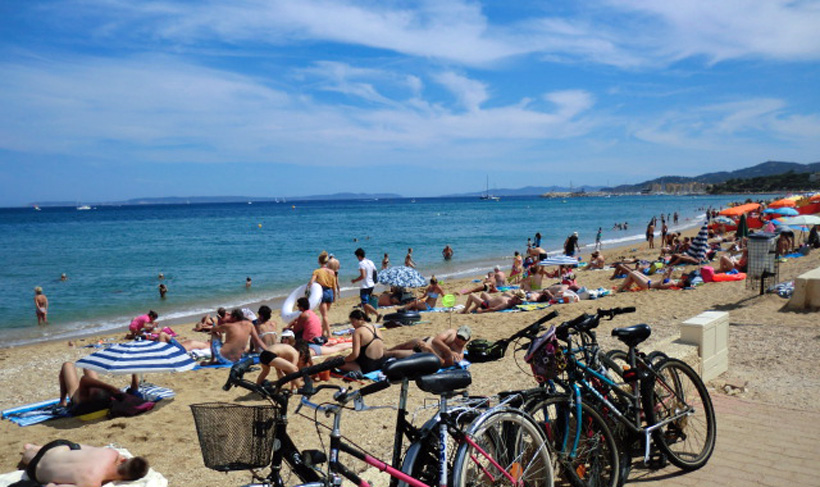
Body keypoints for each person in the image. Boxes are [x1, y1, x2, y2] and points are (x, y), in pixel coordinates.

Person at [18, 441, 149, 486]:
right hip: (37, 468)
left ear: (124, 460)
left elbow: (83, 449)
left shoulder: (111, 453)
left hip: (59, 446)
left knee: (73, 448)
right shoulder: (91, 482)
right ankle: (29, 451)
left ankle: (34, 447)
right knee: (28, 457)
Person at [57, 362, 140, 416]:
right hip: (99, 401)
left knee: (67, 365)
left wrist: (111, 388)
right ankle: (62, 401)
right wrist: (134, 371)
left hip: (79, 399)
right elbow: (134, 388)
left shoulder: (85, 399)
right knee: (88, 364)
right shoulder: (116, 398)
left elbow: (84, 379)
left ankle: (62, 401)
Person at [386, 326, 472, 367]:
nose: (460, 340)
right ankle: (383, 351)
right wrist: (448, 349)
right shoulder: (451, 332)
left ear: (467, 340)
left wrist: (430, 350)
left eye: (463, 339)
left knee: (395, 353)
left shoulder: (459, 354)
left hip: (426, 353)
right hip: (425, 341)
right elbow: (435, 340)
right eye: (459, 336)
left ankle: (379, 355)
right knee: (402, 345)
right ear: (456, 333)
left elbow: (443, 364)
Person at [339, 309, 385, 374]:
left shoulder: (358, 332)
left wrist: (343, 360)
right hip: (380, 363)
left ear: (361, 319)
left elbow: (355, 355)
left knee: (334, 360)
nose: (352, 325)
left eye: (353, 322)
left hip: (366, 367)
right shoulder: (376, 328)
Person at [307, 251, 338, 338]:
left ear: (319, 262)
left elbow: (311, 282)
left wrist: (308, 290)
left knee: (324, 316)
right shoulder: (332, 272)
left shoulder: (317, 271)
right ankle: (323, 332)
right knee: (325, 315)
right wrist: (334, 296)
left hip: (322, 292)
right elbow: (334, 285)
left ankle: (329, 334)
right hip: (330, 292)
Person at [351, 248, 381, 321]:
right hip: (371, 284)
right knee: (366, 302)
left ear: (359, 256)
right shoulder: (370, 262)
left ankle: (377, 314)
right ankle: (367, 317)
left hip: (365, 285)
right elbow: (375, 272)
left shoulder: (361, 263)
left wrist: (355, 280)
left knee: (364, 303)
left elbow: (363, 276)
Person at [615, 267, 681, 292]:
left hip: (647, 285)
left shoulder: (672, 283)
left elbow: (661, 285)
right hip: (649, 281)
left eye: (682, 281)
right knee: (635, 272)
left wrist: (663, 277)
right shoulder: (674, 282)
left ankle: (621, 288)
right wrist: (670, 272)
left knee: (631, 273)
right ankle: (627, 286)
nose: (681, 280)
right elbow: (667, 280)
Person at [461, 290, 525, 314]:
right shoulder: (512, 299)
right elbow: (506, 292)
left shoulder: (505, 303)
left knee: (471, 295)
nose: (513, 296)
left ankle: (464, 311)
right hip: (491, 300)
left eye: (515, 297)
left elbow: (495, 309)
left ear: (517, 299)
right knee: (483, 293)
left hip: (486, 304)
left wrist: (482, 311)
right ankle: (474, 308)